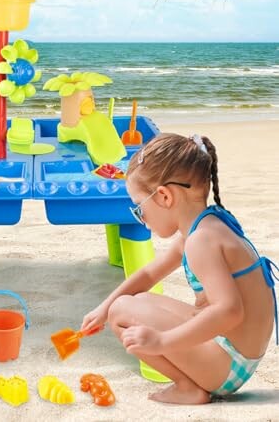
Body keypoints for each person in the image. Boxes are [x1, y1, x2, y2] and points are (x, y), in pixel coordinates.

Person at [81, 133, 278, 404]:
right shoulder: (205, 225)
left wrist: (162, 340)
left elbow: (230, 311)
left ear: (163, 196)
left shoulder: (201, 241)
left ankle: (188, 387)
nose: (142, 218)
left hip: (228, 365)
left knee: (122, 311)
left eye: (140, 208)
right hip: (237, 354)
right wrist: (101, 309)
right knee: (133, 302)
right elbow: (149, 274)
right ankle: (190, 383)